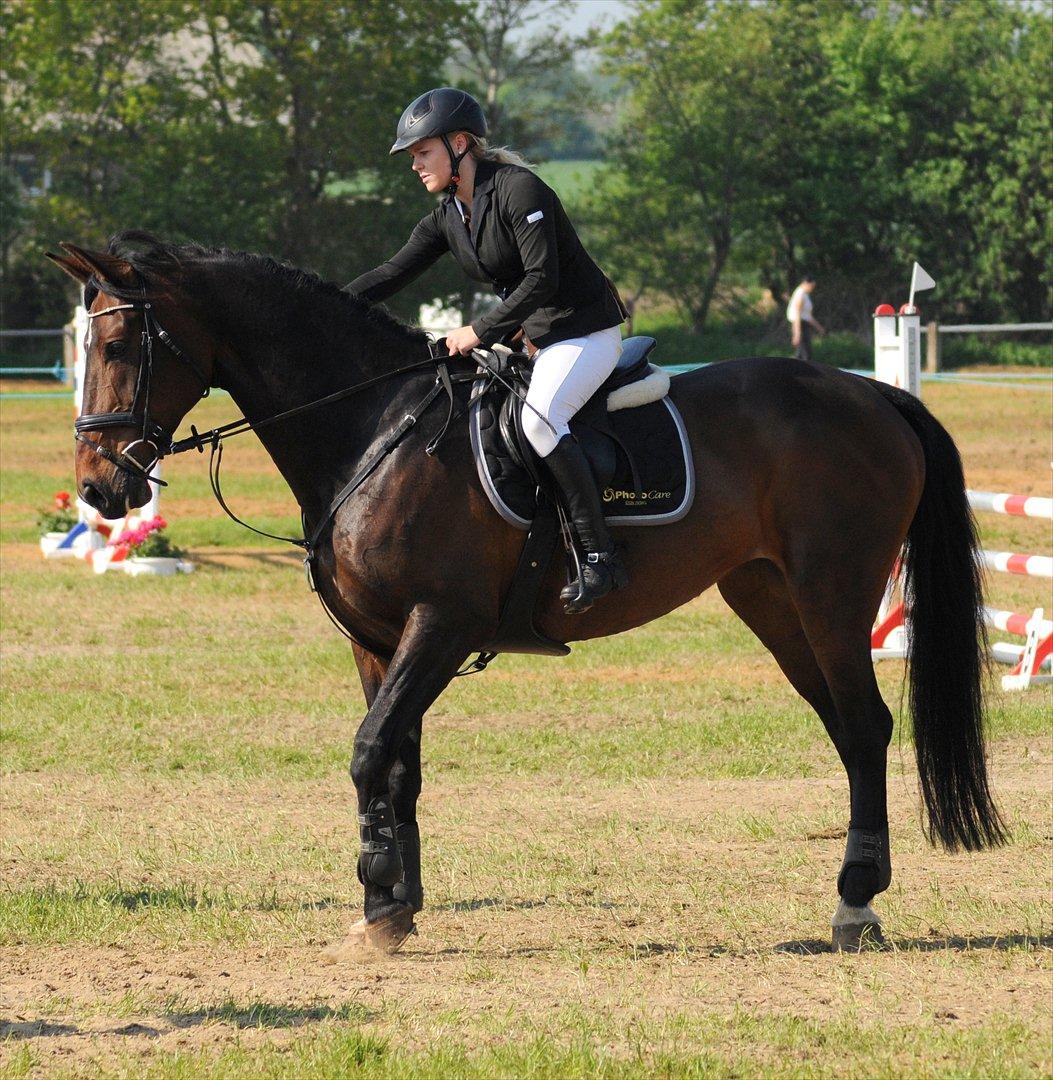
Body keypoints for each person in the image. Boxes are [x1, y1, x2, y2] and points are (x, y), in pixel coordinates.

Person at [347, 87, 629, 614]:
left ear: (460, 145)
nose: (414, 165)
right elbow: (391, 273)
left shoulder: (520, 190)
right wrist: (327, 307)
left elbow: (542, 280)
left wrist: (479, 330)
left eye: (422, 152)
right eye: (412, 155)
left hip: (583, 333)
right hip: (532, 338)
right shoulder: (449, 216)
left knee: (541, 421)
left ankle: (599, 556)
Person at [786, 275, 825, 362]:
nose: (812, 289)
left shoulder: (805, 295)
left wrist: (819, 327)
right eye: (811, 286)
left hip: (804, 325)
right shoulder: (800, 294)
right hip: (799, 325)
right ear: (806, 283)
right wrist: (797, 332)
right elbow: (797, 314)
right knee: (805, 355)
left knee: (802, 353)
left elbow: (807, 315)